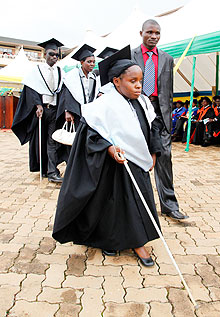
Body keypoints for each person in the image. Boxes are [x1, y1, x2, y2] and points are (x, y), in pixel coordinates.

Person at [52, 46, 162, 267]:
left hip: (137, 163)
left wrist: (153, 152)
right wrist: (109, 149)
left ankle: (137, 240)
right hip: (113, 166)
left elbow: (154, 128)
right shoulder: (102, 106)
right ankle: (113, 240)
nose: (138, 85)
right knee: (112, 205)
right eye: (132, 81)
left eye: (140, 80)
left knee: (136, 202)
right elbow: (91, 135)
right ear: (116, 82)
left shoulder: (144, 103)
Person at [131, 19, 188, 220]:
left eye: (157, 33)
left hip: (160, 114)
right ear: (141, 33)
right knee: (136, 158)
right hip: (137, 110)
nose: (154, 36)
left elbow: (168, 91)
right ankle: (137, 206)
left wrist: (168, 116)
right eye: (150, 32)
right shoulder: (130, 55)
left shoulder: (167, 59)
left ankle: (169, 205)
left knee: (165, 158)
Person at [12, 38, 65, 183]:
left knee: (52, 142)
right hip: (41, 112)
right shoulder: (36, 71)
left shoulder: (60, 72)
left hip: (54, 112)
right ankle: (44, 169)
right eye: (51, 54)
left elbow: (62, 92)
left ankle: (53, 171)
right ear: (44, 54)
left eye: (56, 55)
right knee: (39, 142)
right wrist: (37, 104)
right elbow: (31, 89)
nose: (54, 57)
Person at [57, 44, 99, 132]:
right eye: (89, 62)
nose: (92, 64)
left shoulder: (94, 77)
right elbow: (66, 95)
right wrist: (67, 111)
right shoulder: (72, 76)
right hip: (76, 112)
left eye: (93, 62)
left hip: (89, 113)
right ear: (81, 62)